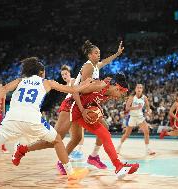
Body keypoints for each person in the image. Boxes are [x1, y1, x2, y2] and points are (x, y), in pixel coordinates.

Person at [0, 57, 91, 189]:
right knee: (57, 140)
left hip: (11, 119)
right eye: (43, 71)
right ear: (40, 72)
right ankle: (71, 175)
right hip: (32, 119)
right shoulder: (47, 82)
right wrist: (86, 85)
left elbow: (4, 89)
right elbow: (72, 89)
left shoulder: (20, 80)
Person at [16, 40, 125, 173]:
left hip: (82, 104)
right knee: (54, 140)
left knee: (80, 137)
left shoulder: (96, 66)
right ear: (89, 55)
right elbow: (78, 90)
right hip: (73, 103)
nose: (99, 55)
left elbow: (106, 61)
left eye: (99, 53)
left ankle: (93, 156)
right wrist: (83, 108)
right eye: (96, 53)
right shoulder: (88, 67)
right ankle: (23, 148)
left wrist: (117, 54)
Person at [12, 74, 140, 179]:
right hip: (71, 107)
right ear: (117, 87)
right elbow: (75, 92)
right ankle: (22, 150)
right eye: (122, 94)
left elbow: (91, 100)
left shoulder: (109, 92)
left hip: (82, 111)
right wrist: (84, 111)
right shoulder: (99, 85)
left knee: (101, 133)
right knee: (54, 141)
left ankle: (118, 166)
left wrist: (93, 111)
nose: (120, 97)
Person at [116, 84, 156, 155]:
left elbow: (147, 106)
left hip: (140, 117)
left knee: (146, 131)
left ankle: (148, 149)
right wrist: (136, 108)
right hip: (132, 117)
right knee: (127, 134)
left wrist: (148, 111)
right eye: (138, 87)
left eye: (140, 88)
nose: (139, 89)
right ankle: (118, 147)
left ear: (142, 90)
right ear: (135, 89)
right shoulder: (132, 97)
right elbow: (127, 108)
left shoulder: (144, 98)